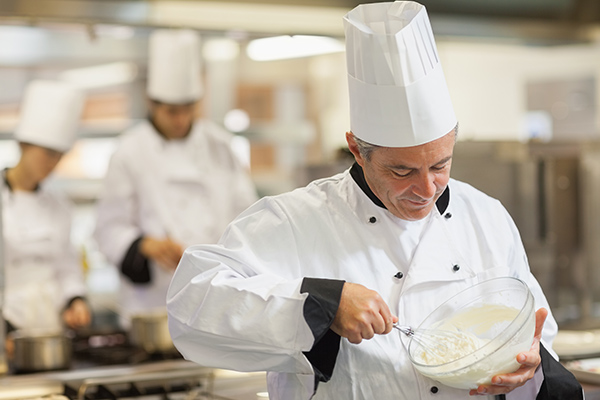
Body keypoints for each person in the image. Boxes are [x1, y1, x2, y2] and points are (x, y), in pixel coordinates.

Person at [166, 2, 582, 399]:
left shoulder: (486, 216)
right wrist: (319, 304)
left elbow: (532, 334)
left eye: (440, 165)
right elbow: (191, 305)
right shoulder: (294, 220)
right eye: (401, 171)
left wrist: (526, 367)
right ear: (356, 149)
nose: (425, 189)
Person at [93, 29, 257, 322]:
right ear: (152, 103)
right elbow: (107, 228)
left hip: (217, 298)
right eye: (171, 112)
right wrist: (145, 244)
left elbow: (248, 218)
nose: (181, 120)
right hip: (153, 306)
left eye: (188, 110)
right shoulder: (129, 152)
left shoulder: (219, 146)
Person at [2, 80, 91, 334]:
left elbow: (66, 266)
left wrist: (75, 300)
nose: (53, 162)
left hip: (50, 328)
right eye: (47, 152)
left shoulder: (59, 205)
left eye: (59, 154)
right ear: (23, 144)